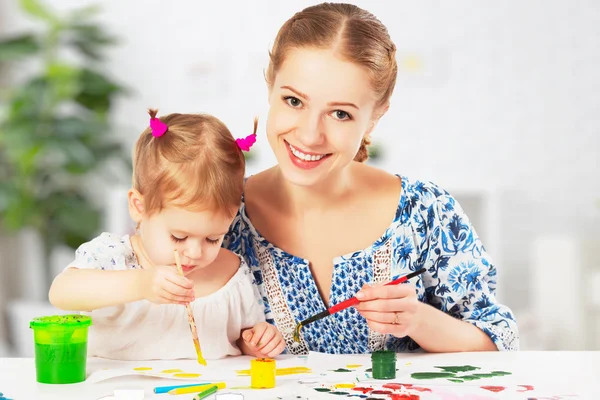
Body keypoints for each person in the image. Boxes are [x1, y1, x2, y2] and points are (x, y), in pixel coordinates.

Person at [223, 2, 518, 355]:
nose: (310, 135)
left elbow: (499, 342)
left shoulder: (424, 212)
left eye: (340, 113)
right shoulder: (221, 215)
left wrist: (418, 320)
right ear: (271, 86)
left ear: (376, 115)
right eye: (294, 101)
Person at [49, 110, 285, 360]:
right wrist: (140, 284)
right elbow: (61, 293)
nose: (195, 252)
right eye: (179, 237)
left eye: (213, 238)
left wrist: (255, 341)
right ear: (140, 208)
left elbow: (238, 336)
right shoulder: (113, 257)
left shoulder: (232, 273)